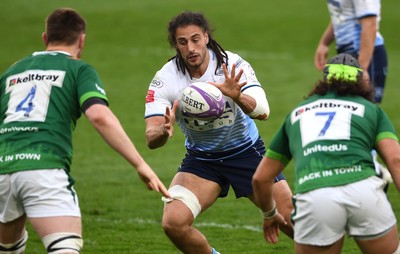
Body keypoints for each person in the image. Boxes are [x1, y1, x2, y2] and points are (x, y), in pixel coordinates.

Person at [0, 8, 170, 254]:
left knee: (8, 247)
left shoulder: (11, 73)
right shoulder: (78, 69)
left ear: (45, 38)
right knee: (64, 247)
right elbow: (99, 116)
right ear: (82, 41)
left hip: (4, 169)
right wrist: (140, 164)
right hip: (44, 168)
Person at [144, 11, 293, 254]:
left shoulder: (232, 66)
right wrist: (164, 129)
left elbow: (263, 111)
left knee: (292, 222)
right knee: (173, 223)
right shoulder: (165, 79)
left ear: (206, 37)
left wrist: (237, 96)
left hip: (247, 153)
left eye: (195, 39)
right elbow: (151, 139)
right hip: (202, 161)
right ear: (176, 45)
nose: (190, 47)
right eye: (183, 42)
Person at [252, 53, 400, 254]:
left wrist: (270, 214)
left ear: (325, 80)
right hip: (364, 192)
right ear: (361, 81)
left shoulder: (297, 114)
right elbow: (395, 161)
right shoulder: (371, 110)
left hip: (315, 197)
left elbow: (261, 179)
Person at [314, 0, 387, 104]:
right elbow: (341, 15)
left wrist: (362, 67)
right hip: (348, 52)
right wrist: (324, 43)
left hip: (364, 53)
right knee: (344, 106)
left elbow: (370, 23)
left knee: (365, 109)